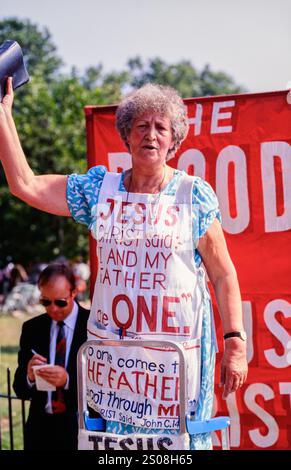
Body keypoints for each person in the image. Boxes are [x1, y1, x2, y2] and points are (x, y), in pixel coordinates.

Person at [1, 79, 247, 450]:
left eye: (161, 127)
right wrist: (3, 113)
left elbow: (223, 273)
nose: (151, 134)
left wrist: (236, 344)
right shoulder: (100, 190)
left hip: (176, 370)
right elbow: (25, 185)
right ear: (126, 138)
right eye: (141, 126)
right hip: (116, 375)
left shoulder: (192, 195)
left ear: (174, 141)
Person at [13, 263, 90, 450]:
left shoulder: (92, 328)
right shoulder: (32, 329)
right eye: (46, 302)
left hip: (78, 430)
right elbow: (19, 388)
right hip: (40, 432)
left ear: (73, 292)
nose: (53, 309)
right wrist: (29, 377)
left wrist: (68, 380)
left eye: (60, 302)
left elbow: (106, 387)